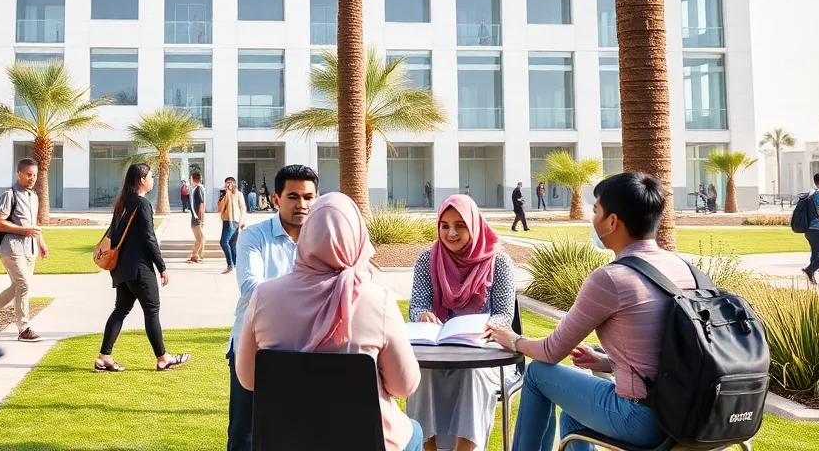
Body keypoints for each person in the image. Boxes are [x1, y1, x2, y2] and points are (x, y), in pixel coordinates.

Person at [485, 172, 691, 451]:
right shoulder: (685, 268)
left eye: (596, 211)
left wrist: (510, 339)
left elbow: (551, 352)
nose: (592, 220)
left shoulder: (612, 278)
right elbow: (667, 354)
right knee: (574, 417)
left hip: (643, 418)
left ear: (613, 221)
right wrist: (606, 362)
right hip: (689, 413)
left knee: (537, 374)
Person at [237, 193, 424, 451]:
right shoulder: (377, 300)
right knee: (415, 431)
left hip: (288, 441)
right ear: (357, 237)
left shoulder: (264, 297)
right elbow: (404, 386)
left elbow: (248, 379)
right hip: (367, 443)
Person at [408, 196, 517, 451]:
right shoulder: (428, 259)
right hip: (438, 352)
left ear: (474, 225)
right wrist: (422, 315)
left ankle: (465, 448)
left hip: (484, 354)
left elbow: (503, 315)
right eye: (444, 226)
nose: (451, 233)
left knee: (472, 373)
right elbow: (417, 306)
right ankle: (428, 447)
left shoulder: (498, 261)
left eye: (460, 225)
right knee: (419, 372)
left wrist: (481, 329)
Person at [226, 164, 320, 451]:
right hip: (253, 347)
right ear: (276, 199)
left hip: (306, 348)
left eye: (308, 197)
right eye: (293, 196)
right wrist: (310, 296)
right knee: (245, 436)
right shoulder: (254, 236)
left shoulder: (323, 239)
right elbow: (252, 289)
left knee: (301, 433)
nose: (302, 205)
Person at [94, 163, 190, 372]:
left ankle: (104, 357)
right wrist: (162, 267)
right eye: (151, 176)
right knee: (152, 310)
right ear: (141, 180)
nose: (153, 180)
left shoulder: (122, 203)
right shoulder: (142, 204)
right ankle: (163, 357)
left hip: (121, 267)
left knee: (121, 310)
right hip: (138, 268)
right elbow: (149, 238)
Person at [0, 158, 49, 341]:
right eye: (28, 174)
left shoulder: (34, 196)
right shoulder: (9, 195)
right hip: (11, 248)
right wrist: (23, 230)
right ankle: (23, 328)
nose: (32, 178)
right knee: (24, 284)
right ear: (18, 174)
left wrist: (41, 242)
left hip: (30, 249)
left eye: (34, 175)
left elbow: (34, 223)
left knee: (18, 286)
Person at [218, 176, 248, 274]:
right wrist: (226, 194)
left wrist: (242, 221)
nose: (228, 184)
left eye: (230, 182)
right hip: (226, 220)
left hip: (233, 221)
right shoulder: (224, 194)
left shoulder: (238, 194)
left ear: (234, 184)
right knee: (232, 244)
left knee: (223, 242)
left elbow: (243, 208)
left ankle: (230, 264)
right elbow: (219, 207)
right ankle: (236, 265)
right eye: (226, 182)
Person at [188, 170, 207, 263]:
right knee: (201, 238)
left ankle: (196, 256)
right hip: (196, 217)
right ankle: (197, 256)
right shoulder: (196, 189)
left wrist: (200, 218)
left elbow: (201, 204)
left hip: (196, 217)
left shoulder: (198, 189)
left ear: (193, 179)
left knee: (200, 238)